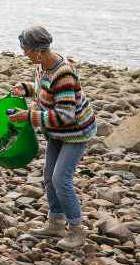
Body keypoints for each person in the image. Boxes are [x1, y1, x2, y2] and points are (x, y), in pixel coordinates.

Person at [9, 26, 97, 249]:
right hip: (56, 132)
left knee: (61, 180)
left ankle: (77, 230)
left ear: (38, 50)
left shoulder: (63, 73)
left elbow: (66, 115)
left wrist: (29, 116)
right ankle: (56, 223)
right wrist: (26, 89)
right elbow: (43, 90)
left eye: (26, 49)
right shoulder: (43, 66)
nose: (24, 53)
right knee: (49, 177)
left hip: (75, 132)